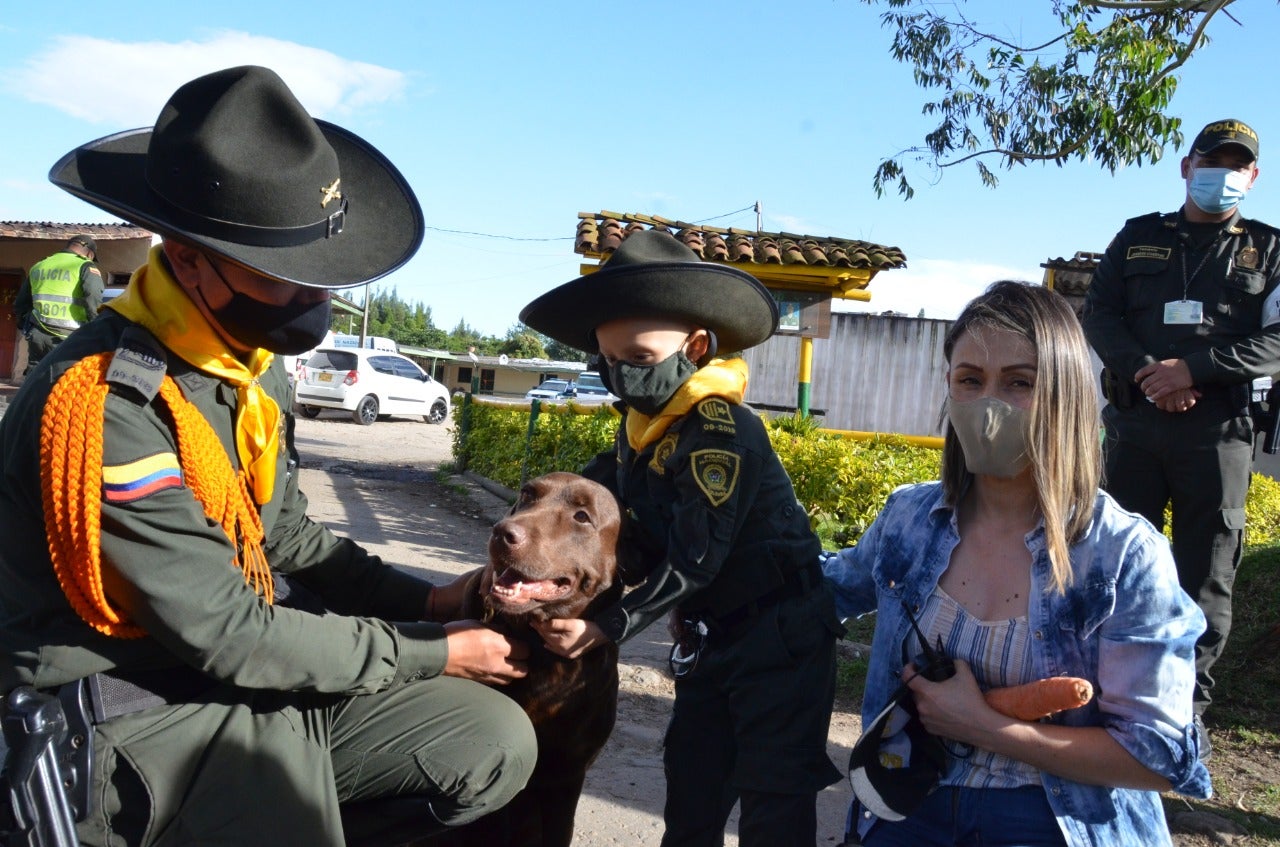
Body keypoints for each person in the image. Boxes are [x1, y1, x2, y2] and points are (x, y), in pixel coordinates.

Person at [0, 66, 536, 846]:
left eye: (321, 271)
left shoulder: (244, 362)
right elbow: (233, 632)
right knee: (295, 784)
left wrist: (428, 603)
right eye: (281, 276)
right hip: (123, 708)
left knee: (490, 739)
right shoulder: (106, 406)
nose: (311, 299)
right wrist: (429, 650)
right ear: (188, 260)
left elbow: (282, 532)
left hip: (225, 676)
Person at [822, 281, 1210, 847]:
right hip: (911, 801)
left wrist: (985, 727)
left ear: (1064, 395)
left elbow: (1155, 757)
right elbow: (827, 587)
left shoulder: (1121, 555)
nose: (989, 403)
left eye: (1020, 382)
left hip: (1057, 819)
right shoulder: (910, 518)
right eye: (970, 380)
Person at [519, 229, 844, 847]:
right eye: (609, 360)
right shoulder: (640, 430)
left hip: (783, 639)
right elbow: (623, 533)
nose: (621, 376)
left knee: (774, 806)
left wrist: (605, 626)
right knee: (692, 793)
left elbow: (697, 556)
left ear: (695, 347)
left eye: (638, 359)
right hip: (712, 636)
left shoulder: (722, 433)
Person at [1081, 118, 1280, 753]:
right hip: (1135, 426)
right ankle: (1102, 695)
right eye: (1210, 159)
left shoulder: (1272, 251)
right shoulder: (1137, 237)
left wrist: (1191, 370)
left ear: (1252, 177)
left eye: (1236, 164)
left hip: (1217, 434)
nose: (1222, 172)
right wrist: (1149, 376)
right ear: (1185, 167)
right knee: (1115, 563)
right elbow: (1099, 315)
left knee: (1207, 573)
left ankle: (1181, 717)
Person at [14, 233, 105, 374]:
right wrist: (97, 332)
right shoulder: (85, 266)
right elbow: (93, 300)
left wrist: (27, 327)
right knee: (64, 382)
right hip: (68, 338)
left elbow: (20, 304)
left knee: (35, 379)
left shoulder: (40, 265)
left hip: (38, 336)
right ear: (90, 254)